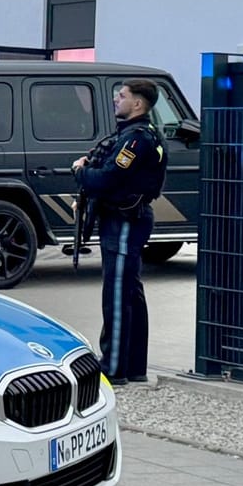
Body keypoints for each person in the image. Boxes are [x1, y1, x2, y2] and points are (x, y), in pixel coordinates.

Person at [73, 78, 167, 385]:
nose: (116, 99)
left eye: (122, 96)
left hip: (125, 220)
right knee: (129, 292)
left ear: (138, 104)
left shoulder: (137, 138)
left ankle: (113, 367)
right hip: (123, 219)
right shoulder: (132, 134)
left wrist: (81, 171)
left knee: (117, 293)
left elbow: (108, 178)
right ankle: (133, 366)